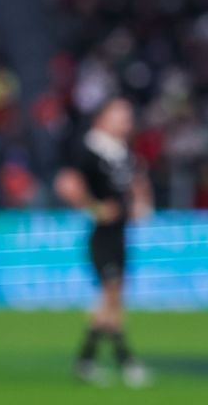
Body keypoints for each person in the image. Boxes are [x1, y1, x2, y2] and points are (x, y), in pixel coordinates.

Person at [55, 97, 153, 387]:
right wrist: (94, 207)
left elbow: (137, 182)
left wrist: (141, 202)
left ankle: (87, 360)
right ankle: (125, 359)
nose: (126, 120)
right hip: (103, 235)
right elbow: (66, 184)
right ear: (102, 117)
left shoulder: (122, 152)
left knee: (112, 298)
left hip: (121, 233)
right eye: (120, 114)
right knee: (111, 296)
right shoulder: (88, 149)